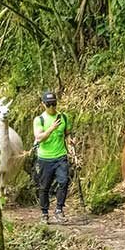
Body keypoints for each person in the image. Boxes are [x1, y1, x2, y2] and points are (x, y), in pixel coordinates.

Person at [33, 91, 72, 224]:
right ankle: (44, 213)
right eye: (49, 104)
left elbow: (67, 134)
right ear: (43, 104)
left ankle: (59, 210)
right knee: (44, 187)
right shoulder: (39, 120)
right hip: (45, 158)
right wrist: (51, 128)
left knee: (64, 182)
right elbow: (39, 138)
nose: (52, 107)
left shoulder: (64, 117)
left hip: (61, 156)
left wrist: (71, 142)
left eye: (54, 104)